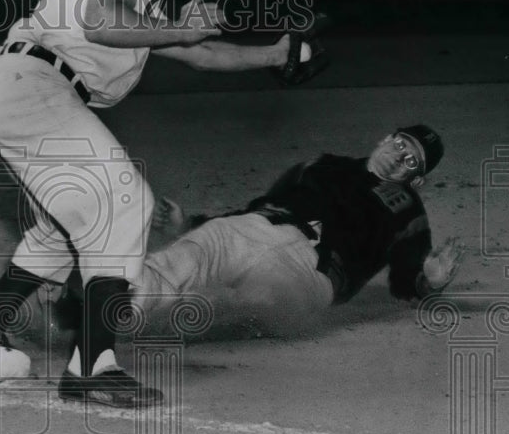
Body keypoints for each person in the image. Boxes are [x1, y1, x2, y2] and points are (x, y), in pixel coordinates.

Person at [0, 0, 325, 408]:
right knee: (125, 201)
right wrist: (179, 29)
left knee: (67, 225)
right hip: (35, 89)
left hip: (19, 88)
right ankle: (93, 366)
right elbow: (103, 24)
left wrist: (276, 53)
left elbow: (198, 54)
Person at [131, 125, 464, 324]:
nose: (398, 154)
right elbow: (257, 206)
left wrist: (429, 282)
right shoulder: (321, 165)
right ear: (385, 138)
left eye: (410, 160)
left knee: (254, 310)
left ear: (415, 179)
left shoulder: (407, 209)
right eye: (401, 143)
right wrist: (188, 224)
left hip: (310, 271)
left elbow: (406, 281)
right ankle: (111, 310)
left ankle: (174, 322)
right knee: (189, 255)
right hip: (256, 227)